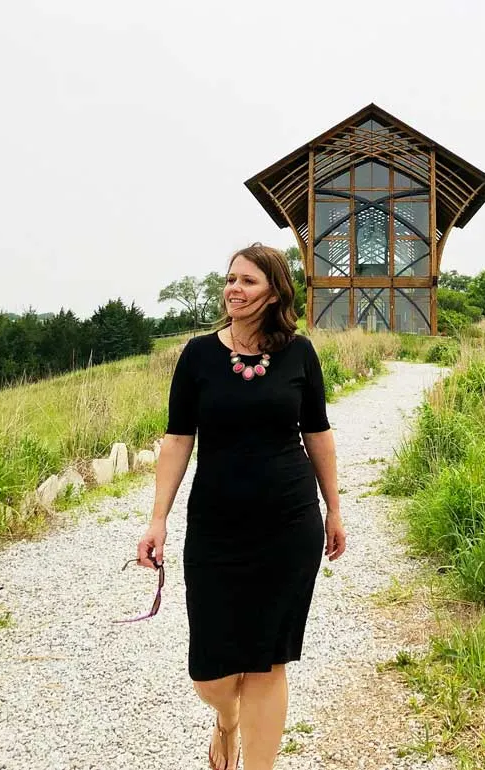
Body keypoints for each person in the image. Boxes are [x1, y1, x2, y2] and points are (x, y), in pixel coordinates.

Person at [136, 243, 346, 770]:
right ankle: (225, 722)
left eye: (248, 281)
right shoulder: (198, 355)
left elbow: (317, 432)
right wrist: (158, 518)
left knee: (268, 658)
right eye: (230, 279)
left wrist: (334, 508)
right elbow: (178, 437)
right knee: (210, 672)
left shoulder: (299, 354)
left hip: (288, 523)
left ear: (274, 291)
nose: (234, 289)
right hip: (217, 526)